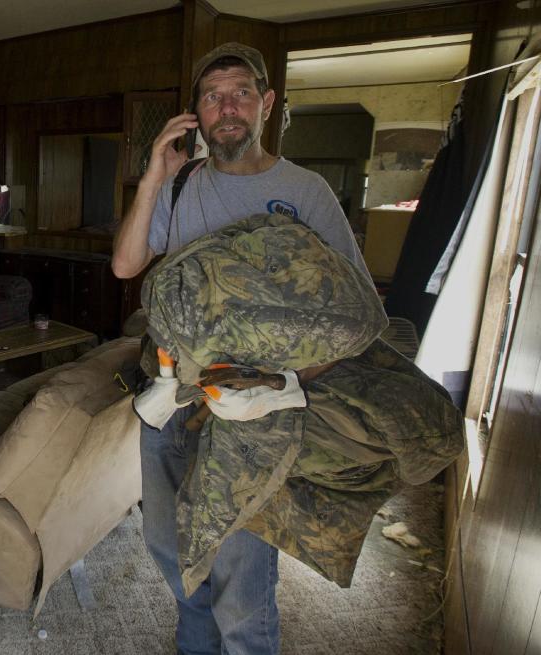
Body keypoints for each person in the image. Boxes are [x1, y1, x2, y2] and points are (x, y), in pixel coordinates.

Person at [112, 43, 372, 655]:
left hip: (250, 419)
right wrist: (155, 173)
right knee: (171, 550)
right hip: (171, 401)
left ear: (267, 103)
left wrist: (284, 387)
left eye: (241, 93)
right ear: (195, 114)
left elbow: (357, 315)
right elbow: (127, 264)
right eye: (212, 96)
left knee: (243, 581)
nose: (227, 107)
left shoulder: (305, 193)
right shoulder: (177, 189)